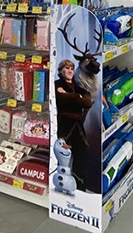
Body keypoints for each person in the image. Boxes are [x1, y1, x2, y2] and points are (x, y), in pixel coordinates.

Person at [54, 59, 93, 191]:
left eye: (71, 68)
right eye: (66, 68)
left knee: (81, 153)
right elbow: (60, 99)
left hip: (78, 127)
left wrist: (70, 95)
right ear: (60, 71)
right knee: (62, 154)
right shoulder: (56, 84)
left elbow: (88, 102)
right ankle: (61, 184)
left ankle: (79, 186)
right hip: (65, 126)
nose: (70, 71)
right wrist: (78, 98)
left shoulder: (78, 86)